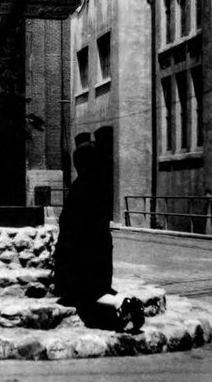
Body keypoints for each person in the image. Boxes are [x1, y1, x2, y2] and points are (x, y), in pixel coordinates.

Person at [53, 133, 144, 333]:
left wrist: (63, 259)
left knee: (84, 295)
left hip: (82, 256)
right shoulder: (100, 187)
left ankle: (124, 304)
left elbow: (70, 227)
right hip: (101, 253)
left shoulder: (79, 188)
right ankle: (124, 303)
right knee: (98, 289)